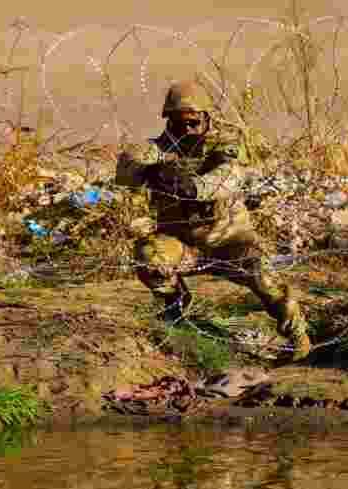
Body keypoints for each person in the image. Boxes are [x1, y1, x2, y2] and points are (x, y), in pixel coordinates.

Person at [116, 80, 311, 363]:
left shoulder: (226, 143)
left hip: (230, 241)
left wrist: (191, 187)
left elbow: (228, 177)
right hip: (183, 245)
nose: (187, 129)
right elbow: (125, 176)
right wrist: (147, 166)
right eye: (178, 122)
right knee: (150, 258)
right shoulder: (158, 150)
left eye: (193, 121)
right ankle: (176, 307)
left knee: (265, 278)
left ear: (206, 118)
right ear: (168, 120)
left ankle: (298, 338)